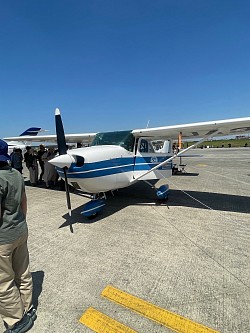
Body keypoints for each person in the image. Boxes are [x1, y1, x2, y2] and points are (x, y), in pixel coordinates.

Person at [0, 139, 36, 333]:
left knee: (3, 282)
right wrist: (19, 225)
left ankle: (16, 320)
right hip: (20, 231)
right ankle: (28, 308)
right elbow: (24, 204)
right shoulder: (15, 174)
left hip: (3, 239)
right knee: (23, 273)